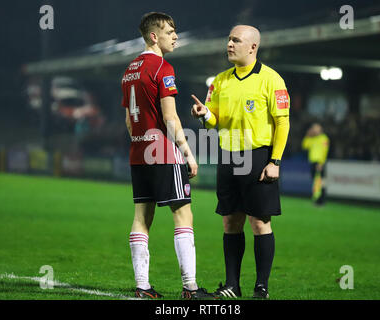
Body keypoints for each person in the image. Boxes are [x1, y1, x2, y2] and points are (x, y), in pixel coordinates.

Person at [191, 25, 290, 299]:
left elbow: (282, 123)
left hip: (258, 156)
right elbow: (214, 121)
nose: (230, 44)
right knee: (230, 222)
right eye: (229, 39)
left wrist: (275, 161)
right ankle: (232, 286)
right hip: (228, 155)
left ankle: (261, 287)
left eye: (236, 40)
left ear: (253, 47)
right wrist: (203, 115)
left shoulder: (271, 79)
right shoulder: (219, 81)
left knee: (259, 223)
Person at [121, 12, 214, 299]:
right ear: (154, 36)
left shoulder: (129, 70)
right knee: (183, 214)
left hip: (138, 151)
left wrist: (141, 140)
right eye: (170, 31)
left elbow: (128, 120)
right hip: (162, 150)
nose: (175, 37)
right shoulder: (163, 67)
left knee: (141, 216)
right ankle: (190, 288)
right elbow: (170, 117)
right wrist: (188, 153)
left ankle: (142, 287)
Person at [301, 123, 330, 206]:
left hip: (319, 163)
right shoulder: (312, 139)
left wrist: (321, 163)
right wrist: (307, 135)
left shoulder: (324, 138)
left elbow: (324, 151)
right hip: (313, 162)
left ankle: (321, 200)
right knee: (316, 182)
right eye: (313, 128)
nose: (314, 130)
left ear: (320, 130)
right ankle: (317, 199)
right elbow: (304, 146)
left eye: (315, 128)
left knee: (320, 182)